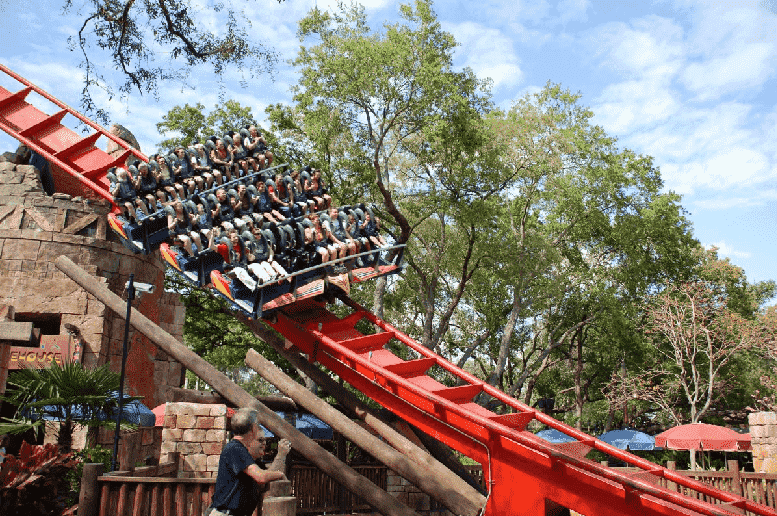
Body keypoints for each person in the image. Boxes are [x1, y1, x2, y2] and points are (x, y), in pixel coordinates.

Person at [207, 408, 288, 516]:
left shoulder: (239, 450)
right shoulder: (235, 448)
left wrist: (281, 456)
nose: (264, 443)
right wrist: (280, 474)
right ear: (253, 428)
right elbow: (261, 477)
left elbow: (267, 474)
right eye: (261, 439)